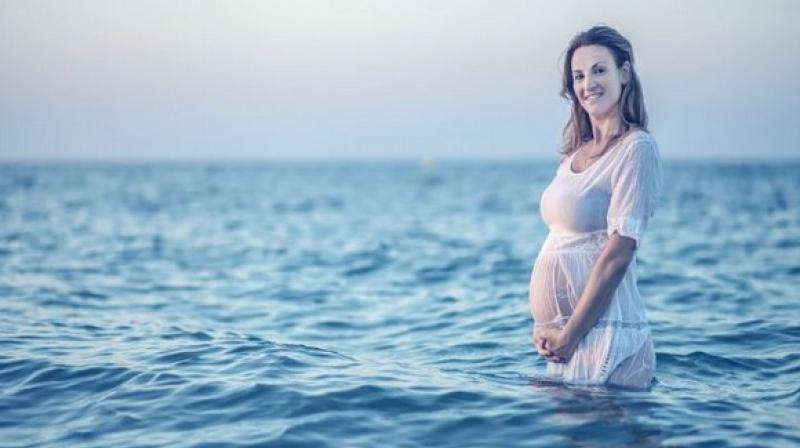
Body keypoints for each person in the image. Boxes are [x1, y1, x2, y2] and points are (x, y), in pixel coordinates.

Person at [529, 25, 663, 389]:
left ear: (624, 73)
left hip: (610, 339)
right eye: (578, 75)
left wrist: (569, 334)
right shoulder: (575, 154)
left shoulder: (636, 148)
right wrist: (551, 330)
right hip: (568, 343)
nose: (588, 83)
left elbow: (619, 252)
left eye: (599, 70)